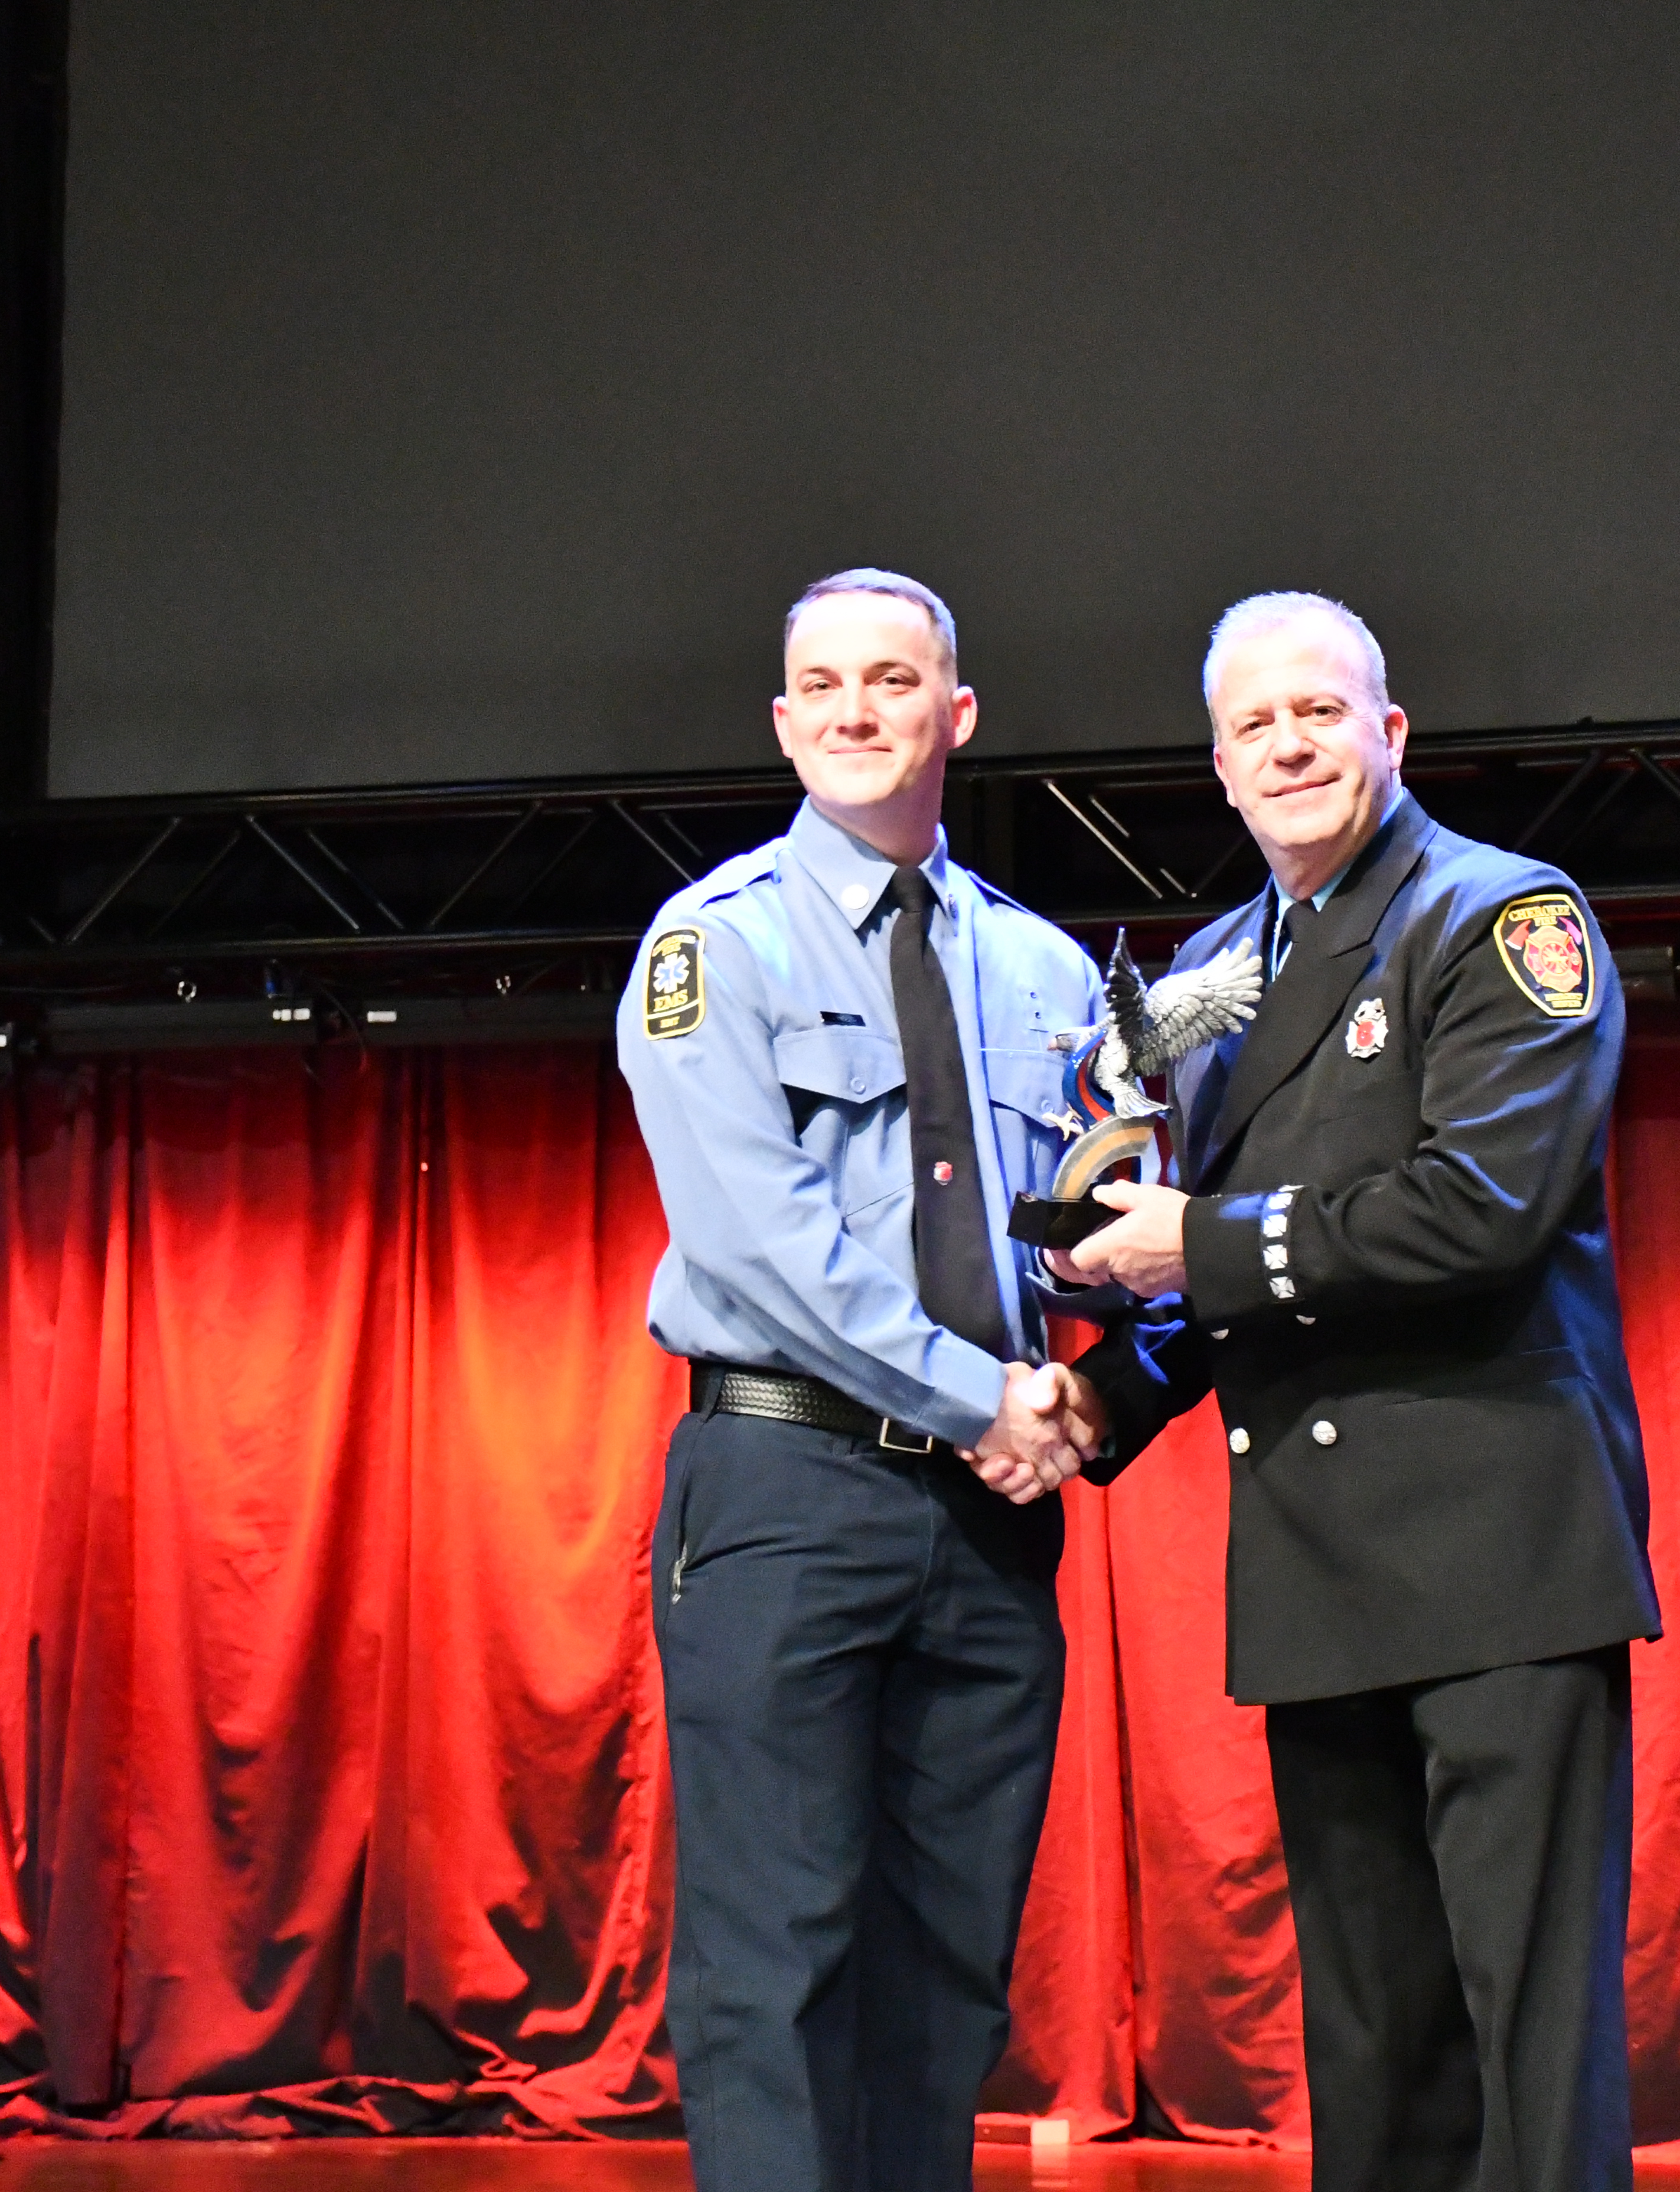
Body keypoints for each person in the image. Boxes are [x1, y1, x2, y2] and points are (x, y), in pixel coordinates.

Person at [1052, 592, 1659, 2192]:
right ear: (1223, 770)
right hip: (1321, 1572)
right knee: (1376, 2043)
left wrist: (1200, 1241)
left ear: (1390, 734)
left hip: (1497, 1560)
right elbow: (1228, 1276)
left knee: (1528, 2035)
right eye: (1256, 727)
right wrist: (1104, 1397)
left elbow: (1481, 1209)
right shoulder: (1206, 978)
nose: (1289, 744)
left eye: (1320, 712)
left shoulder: (1503, 914)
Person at [616, 569, 1114, 2192]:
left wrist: (1078, 1395)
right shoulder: (713, 947)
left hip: (987, 1523)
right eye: (820, 687)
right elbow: (758, 1245)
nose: (853, 712)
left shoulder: (1047, 972)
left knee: (948, 1969)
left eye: (890, 683)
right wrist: (988, 1399)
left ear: (954, 715)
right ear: (781, 722)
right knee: (780, 1961)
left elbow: (1098, 1229)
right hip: (788, 1494)